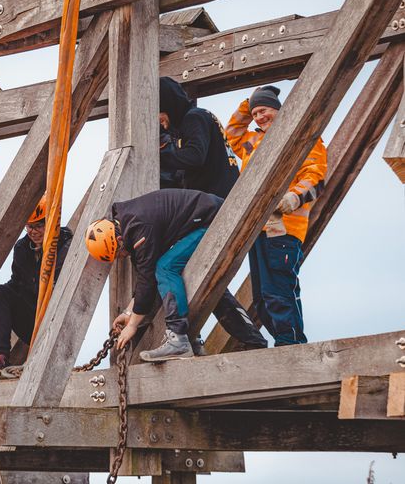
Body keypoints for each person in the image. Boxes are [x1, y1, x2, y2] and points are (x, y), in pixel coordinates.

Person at [157, 77, 268, 352]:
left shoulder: (194, 118)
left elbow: (194, 157)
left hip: (214, 210)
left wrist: (159, 153)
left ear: (167, 106)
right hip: (218, 207)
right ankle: (249, 338)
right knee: (202, 275)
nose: (159, 121)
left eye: (158, 113)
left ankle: (191, 338)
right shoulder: (198, 120)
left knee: (172, 266)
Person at [226, 85, 327, 345]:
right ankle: (284, 341)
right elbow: (232, 133)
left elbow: (315, 176)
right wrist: (248, 104)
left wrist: (293, 198)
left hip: (284, 227)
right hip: (256, 229)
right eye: (256, 113)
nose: (259, 117)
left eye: (265, 110)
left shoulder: (304, 138)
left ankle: (291, 343)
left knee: (278, 291)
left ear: (279, 111)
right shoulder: (253, 141)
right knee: (261, 298)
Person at [86, 189, 225, 361]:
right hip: (203, 219)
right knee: (176, 277)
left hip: (213, 219)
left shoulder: (140, 229)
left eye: (118, 253)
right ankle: (250, 339)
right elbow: (145, 278)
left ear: (120, 240)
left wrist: (133, 326)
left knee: (165, 269)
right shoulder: (130, 224)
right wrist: (128, 313)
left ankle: (179, 339)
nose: (121, 257)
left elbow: (148, 281)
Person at [0, 198, 72, 374]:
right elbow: (16, 285)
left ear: (52, 221)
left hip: (57, 320)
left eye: (38, 225)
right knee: (0, 292)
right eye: (29, 226)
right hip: (32, 321)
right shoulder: (23, 248)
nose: (33, 231)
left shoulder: (67, 245)